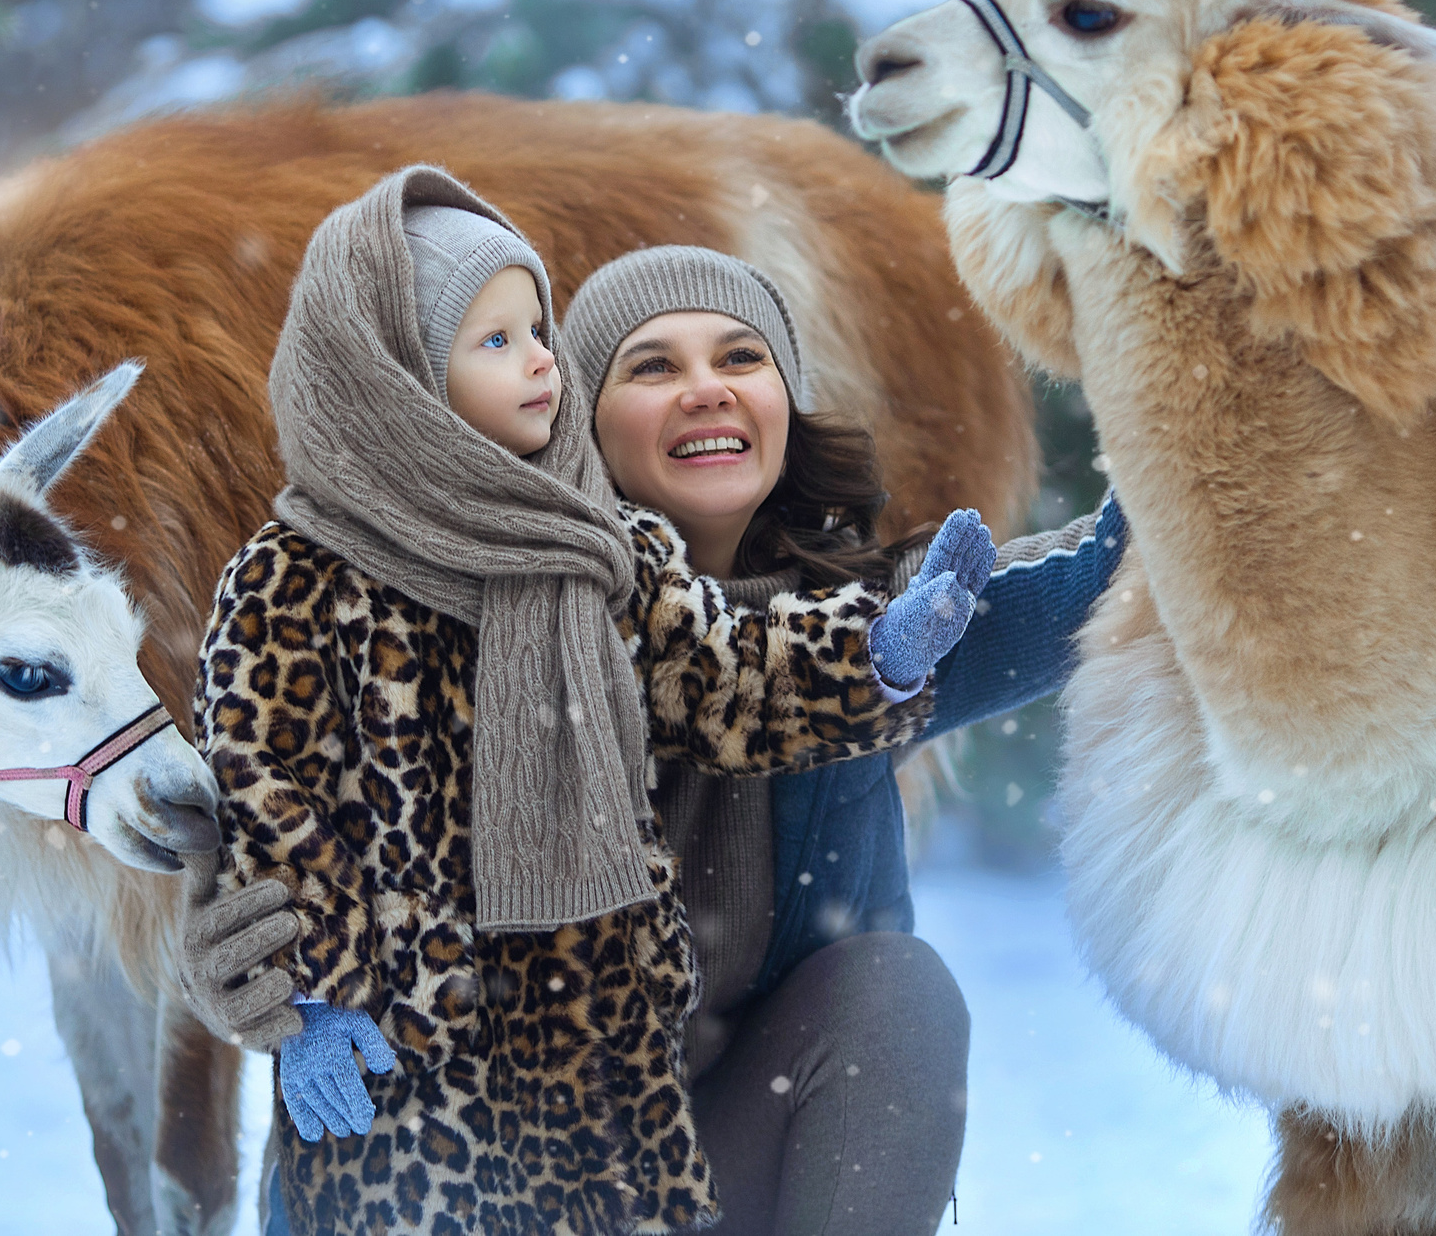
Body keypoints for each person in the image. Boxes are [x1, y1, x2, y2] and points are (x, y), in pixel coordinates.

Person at [188, 168, 994, 1236]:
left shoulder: (594, 546)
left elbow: (725, 676)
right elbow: (267, 803)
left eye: (539, 329)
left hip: (599, 1071)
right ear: (395, 374)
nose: (538, 361)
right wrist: (313, 994)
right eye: (495, 341)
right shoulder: (293, 579)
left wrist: (878, 652)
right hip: (411, 1075)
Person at [553, 244, 1128, 1236]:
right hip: (516, 1178)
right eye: (651, 365)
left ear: (784, 402)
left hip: (727, 1168)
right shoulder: (514, 625)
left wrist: (1215, 378)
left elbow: (1113, 566)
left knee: (892, 994)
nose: (705, 389)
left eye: (741, 357)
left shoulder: (867, 628)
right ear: (583, 425)